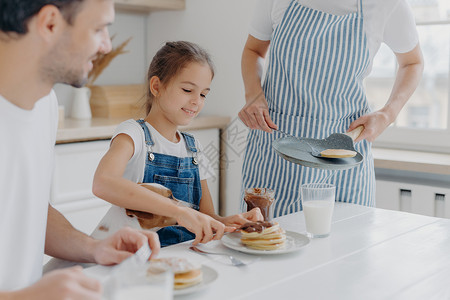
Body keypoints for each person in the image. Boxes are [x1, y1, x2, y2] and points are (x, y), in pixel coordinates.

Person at [0, 0, 160, 298]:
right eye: (99, 29)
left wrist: (95, 247)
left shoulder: (44, 104)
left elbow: (27, 211)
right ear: (50, 23)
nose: (106, 46)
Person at [239, 0, 424, 217]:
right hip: (275, 150)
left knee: (347, 244)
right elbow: (254, 50)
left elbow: (413, 62)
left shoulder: (387, 4)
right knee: (265, 241)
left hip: (344, 155)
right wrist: (253, 95)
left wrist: (387, 114)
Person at [91, 41, 263, 247]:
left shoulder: (193, 148)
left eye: (203, 94)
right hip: (129, 256)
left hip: (178, 260)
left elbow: (204, 216)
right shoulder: (133, 134)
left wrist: (228, 223)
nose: (196, 101)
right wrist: (178, 212)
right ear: (156, 86)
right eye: (187, 90)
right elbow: (103, 183)